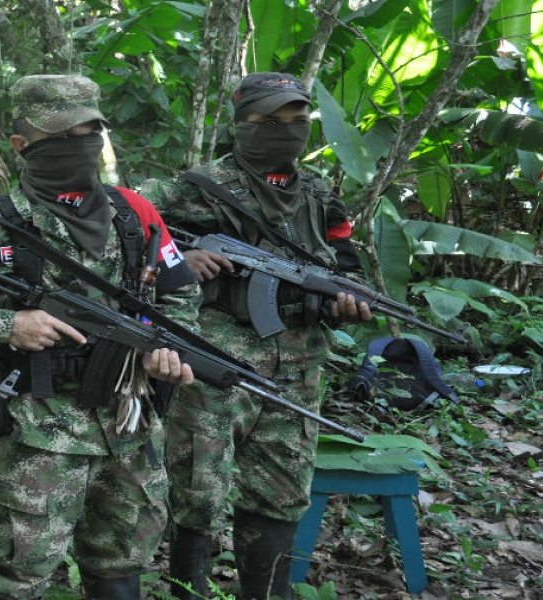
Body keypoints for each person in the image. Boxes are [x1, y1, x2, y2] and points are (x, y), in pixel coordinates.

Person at [0, 74, 200, 600]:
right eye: (63, 135)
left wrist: (163, 347)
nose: (81, 145)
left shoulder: (133, 214)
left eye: (91, 132)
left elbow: (181, 298)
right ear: (21, 146)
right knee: (17, 579)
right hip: (38, 435)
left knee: (121, 565)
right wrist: (4, 325)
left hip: (132, 426)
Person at [139, 72, 372, 600]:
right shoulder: (193, 185)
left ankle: (267, 594)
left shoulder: (320, 194)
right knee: (197, 487)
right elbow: (119, 224)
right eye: (269, 122)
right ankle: (188, 590)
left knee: (283, 490)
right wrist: (178, 259)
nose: (286, 132)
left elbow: (345, 263)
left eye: (297, 121)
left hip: (299, 363)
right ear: (240, 125)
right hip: (215, 360)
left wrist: (348, 300)